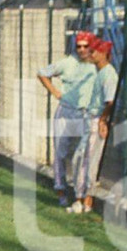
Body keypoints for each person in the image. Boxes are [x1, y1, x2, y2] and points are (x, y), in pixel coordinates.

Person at [37, 32, 98, 208]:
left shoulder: (96, 65)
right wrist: (55, 92)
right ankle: (61, 190)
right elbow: (42, 73)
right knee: (60, 153)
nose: (82, 50)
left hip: (86, 113)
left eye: (86, 46)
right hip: (66, 112)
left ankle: (83, 193)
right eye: (79, 46)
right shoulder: (67, 63)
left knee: (84, 155)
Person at [71, 38, 119, 214]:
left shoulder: (108, 74)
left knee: (86, 161)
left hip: (95, 120)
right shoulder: (100, 73)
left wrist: (102, 121)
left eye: (94, 52)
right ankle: (83, 199)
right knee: (82, 160)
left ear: (104, 54)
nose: (90, 54)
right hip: (89, 119)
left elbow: (110, 101)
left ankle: (83, 200)